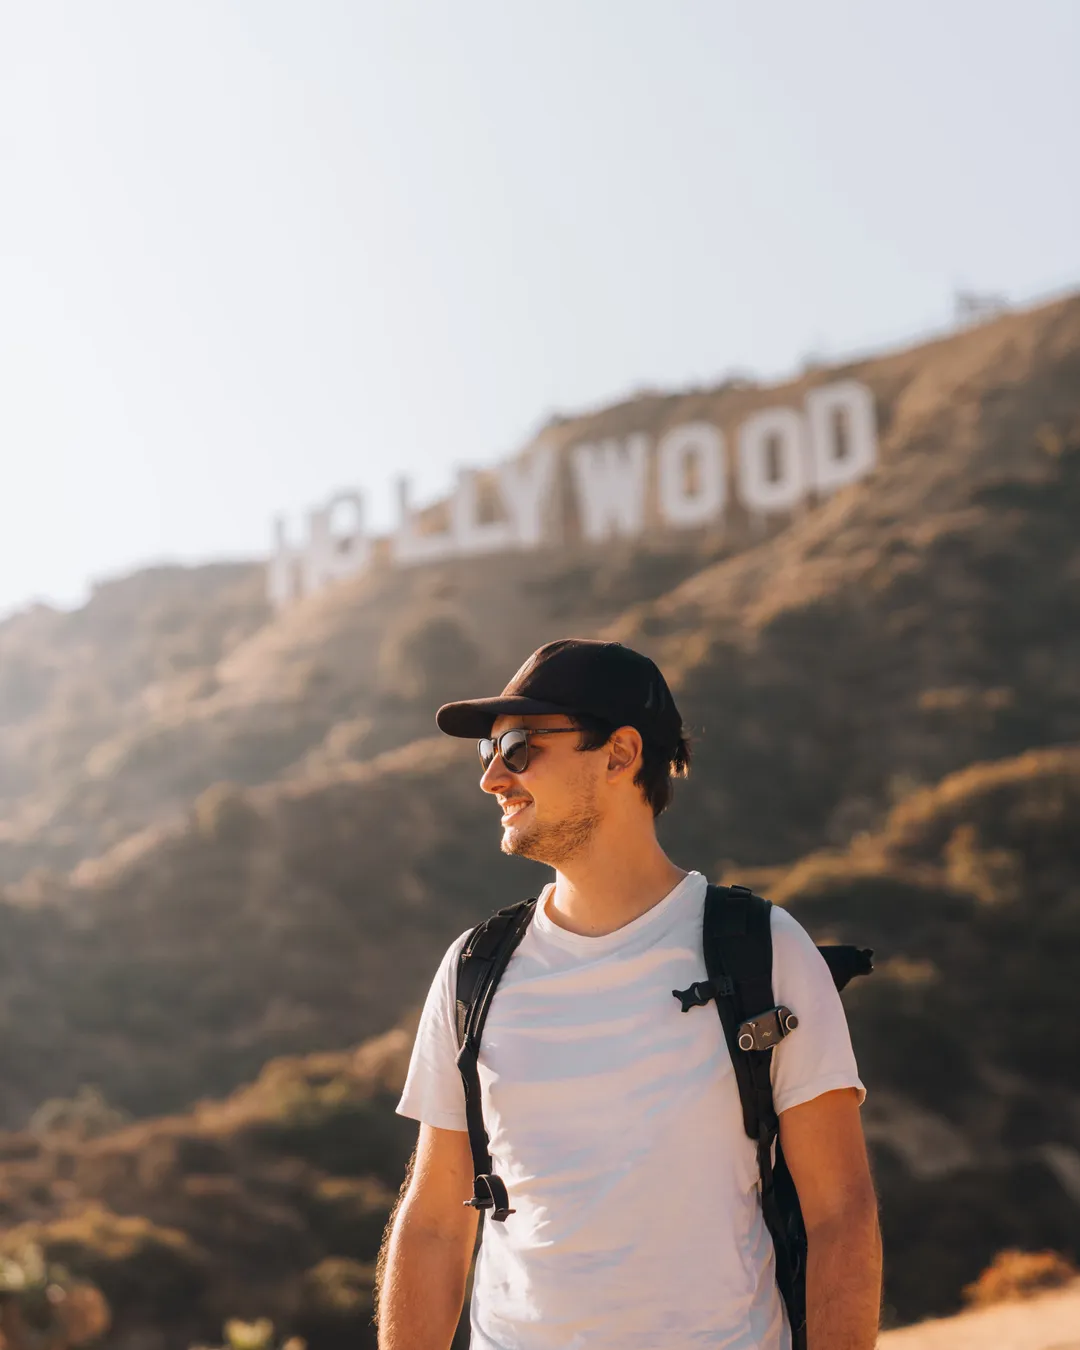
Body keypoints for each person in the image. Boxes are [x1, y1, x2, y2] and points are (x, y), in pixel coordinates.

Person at [376, 638, 881, 1350]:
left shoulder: (764, 950)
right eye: (485, 754)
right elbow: (432, 1223)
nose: (492, 778)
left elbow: (841, 1214)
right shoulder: (472, 969)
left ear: (619, 755)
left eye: (518, 748)